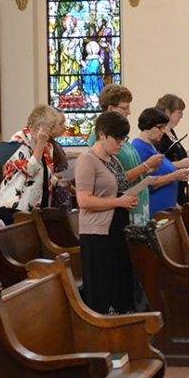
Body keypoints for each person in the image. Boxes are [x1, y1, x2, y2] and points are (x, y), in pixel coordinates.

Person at [75, 111, 139, 315]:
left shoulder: (113, 159)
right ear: (102, 135)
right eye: (118, 138)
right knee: (104, 285)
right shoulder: (87, 160)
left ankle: (122, 321)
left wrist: (128, 197)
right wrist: (118, 201)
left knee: (120, 280)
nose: (122, 143)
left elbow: (118, 185)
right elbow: (83, 200)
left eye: (124, 138)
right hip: (97, 233)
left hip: (117, 227)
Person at [88, 85, 163, 225]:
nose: (129, 112)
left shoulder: (121, 138)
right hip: (122, 208)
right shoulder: (100, 139)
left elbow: (130, 168)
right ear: (110, 109)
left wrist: (148, 170)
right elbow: (113, 178)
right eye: (125, 108)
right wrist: (146, 166)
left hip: (138, 203)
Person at [0, 104, 58, 225]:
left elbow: (45, 173)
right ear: (39, 126)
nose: (52, 131)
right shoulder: (18, 140)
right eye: (50, 127)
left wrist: (57, 181)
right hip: (16, 205)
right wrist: (40, 144)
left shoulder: (48, 146)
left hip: (38, 205)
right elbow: (29, 170)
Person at [132, 108, 189, 217]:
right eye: (160, 127)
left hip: (167, 209)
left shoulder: (153, 147)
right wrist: (175, 176)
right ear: (149, 127)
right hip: (155, 210)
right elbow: (148, 183)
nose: (163, 131)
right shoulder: (139, 147)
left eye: (164, 127)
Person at [154, 94, 189, 206]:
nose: (181, 116)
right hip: (168, 186)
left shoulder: (171, 132)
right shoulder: (159, 136)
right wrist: (181, 163)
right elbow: (159, 165)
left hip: (179, 186)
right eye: (179, 112)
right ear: (167, 112)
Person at [48, 110, 75, 209]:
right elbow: (45, 175)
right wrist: (64, 175)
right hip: (54, 196)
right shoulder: (47, 147)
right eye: (60, 123)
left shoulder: (57, 145)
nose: (64, 127)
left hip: (64, 193)